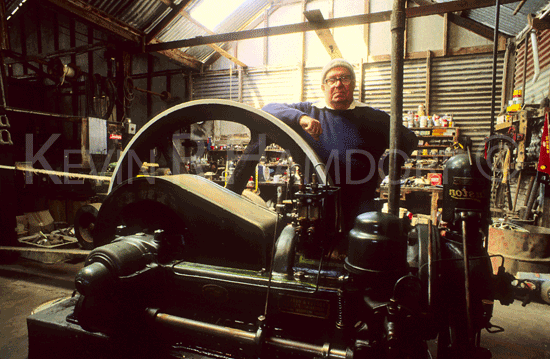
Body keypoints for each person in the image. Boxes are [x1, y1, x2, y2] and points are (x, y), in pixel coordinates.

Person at [262, 58, 418, 230]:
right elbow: (268, 109)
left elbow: (409, 139)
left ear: (353, 84)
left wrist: (384, 169)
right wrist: (301, 118)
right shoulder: (310, 111)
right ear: (323, 87)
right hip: (316, 204)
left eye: (345, 78)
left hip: (360, 204)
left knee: (358, 247)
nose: (338, 84)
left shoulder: (372, 117)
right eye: (332, 80)